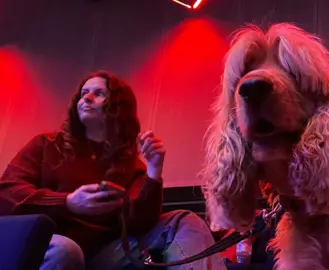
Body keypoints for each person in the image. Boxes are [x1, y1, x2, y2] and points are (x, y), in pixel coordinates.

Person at [0, 70, 226, 270]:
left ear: (118, 108)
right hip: (51, 242)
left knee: (183, 220)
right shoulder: (47, 145)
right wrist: (67, 202)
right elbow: (8, 193)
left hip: (103, 253)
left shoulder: (128, 163)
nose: (86, 98)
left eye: (98, 94)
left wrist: (154, 170)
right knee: (66, 250)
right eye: (83, 93)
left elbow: (141, 223)